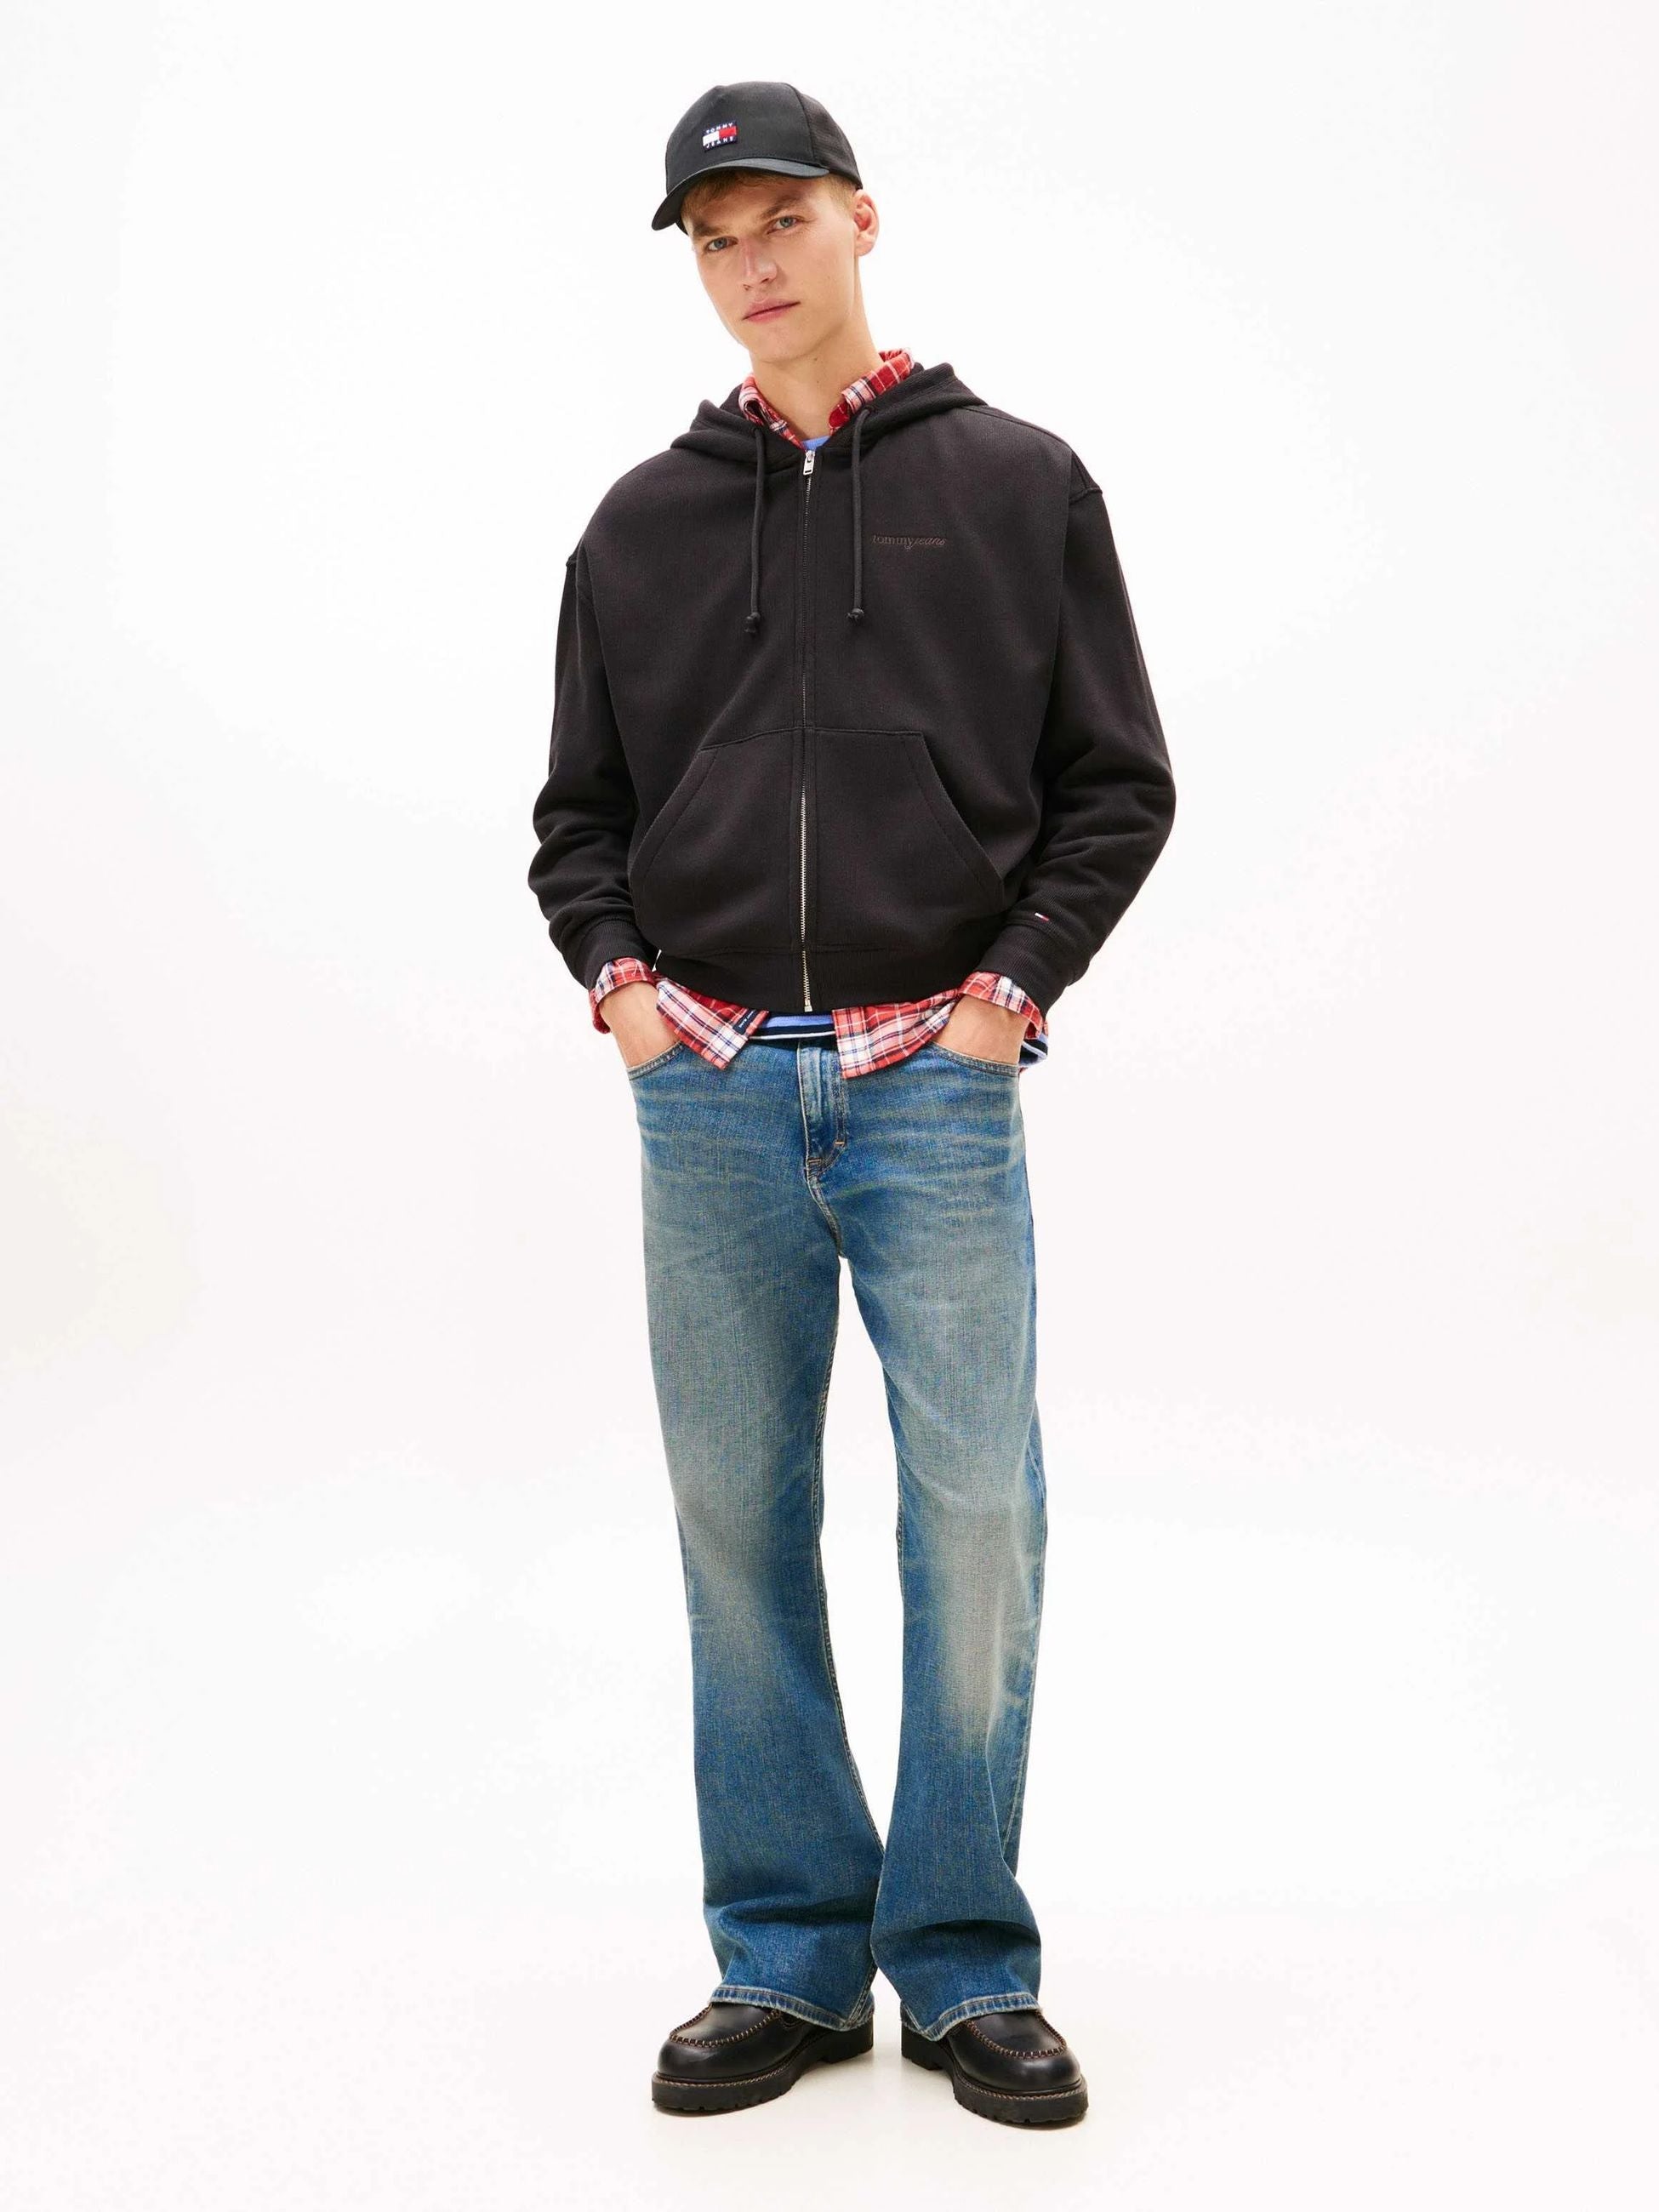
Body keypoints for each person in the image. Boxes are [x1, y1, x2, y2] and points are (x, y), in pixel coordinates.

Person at [527, 80, 1176, 2128]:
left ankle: (966, 1958)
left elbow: (1115, 782)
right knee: (737, 1520)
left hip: (932, 1090)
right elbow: (578, 817)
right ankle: (791, 1957)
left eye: (782, 220)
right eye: (716, 239)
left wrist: (1005, 997)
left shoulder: (1017, 482)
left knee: (977, 1516)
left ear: (862, 220)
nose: (752, 265)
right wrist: (625, 993)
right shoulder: (641, 523)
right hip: (709, 1089)